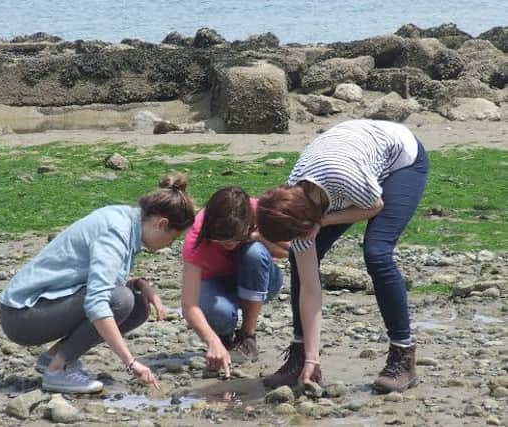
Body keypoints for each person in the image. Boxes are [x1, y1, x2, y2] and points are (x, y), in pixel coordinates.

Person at [257, 119, 429, 393]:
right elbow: (310, 288)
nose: (296, 242)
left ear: (308, 222)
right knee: (300, 262)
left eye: (299, 235)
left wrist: (323, 222)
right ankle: (301, 358)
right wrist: (314, 357)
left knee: (377, 252)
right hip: (348, 161)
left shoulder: (343, 180)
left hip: (399, 159)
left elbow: (374, 205)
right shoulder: (295, 195)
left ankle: (403, 356)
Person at [0, 173, 195, 393]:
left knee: (138, 306)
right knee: (121, 300)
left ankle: (54, 358)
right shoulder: (116, 231)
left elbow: (101, 281)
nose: (169, 244)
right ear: (162, 223)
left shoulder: (129, 221)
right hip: (21, 315)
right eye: (173, 238)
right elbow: (98, 301)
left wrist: (140, 283)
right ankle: (57, 370)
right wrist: (131, 363)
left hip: (43, 306)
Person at [181, 186, 288, 377]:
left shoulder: (261, 212)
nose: (229, 244)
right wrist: (211, 341)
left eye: (236, 238)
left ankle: (247, 336)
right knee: (217, 312)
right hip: (216, 283)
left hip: (261, 280)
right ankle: (223, 338)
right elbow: (189, 305)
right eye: (220, 240)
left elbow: (290, 251)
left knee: (254, 252)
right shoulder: (197, 234)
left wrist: (256, 238)